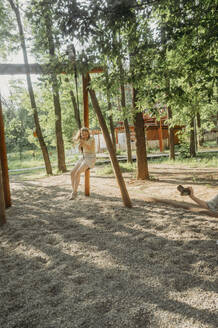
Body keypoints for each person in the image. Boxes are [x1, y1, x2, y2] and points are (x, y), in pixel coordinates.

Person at [69, 127, 96, 200]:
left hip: (90, 158)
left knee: (77, 173)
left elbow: (90, 148)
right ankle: (74, 190)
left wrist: (83, 143)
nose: (84, 135)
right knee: (72, 173)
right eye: (83, 134)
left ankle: (74, 193)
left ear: (88, 133)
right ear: (81, 134)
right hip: (83, 157)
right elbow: (80, 150)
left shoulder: (92, 139)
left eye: (86, 134)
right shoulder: (82, 140)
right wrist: (80, 145)